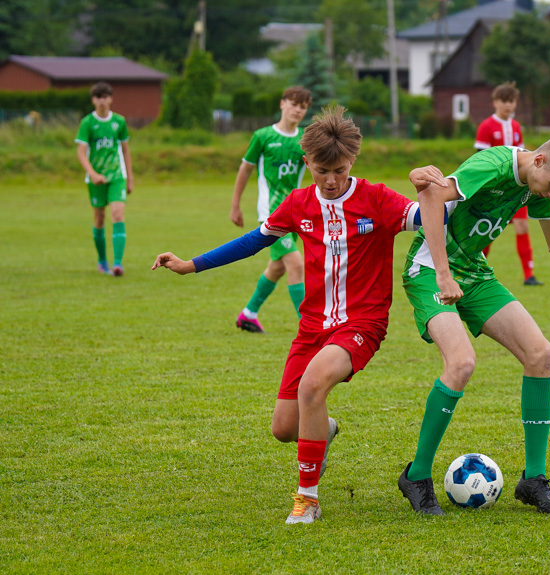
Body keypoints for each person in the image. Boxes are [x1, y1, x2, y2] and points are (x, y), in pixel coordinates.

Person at [152, 104, 448, 525]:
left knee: (312, 386)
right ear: (305, 162)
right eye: (321, 170)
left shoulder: (376, 198)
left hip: (362, 323)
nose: (330, 180)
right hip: (312, 327)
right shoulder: (298, 203)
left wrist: (440, 188)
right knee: (284, 429)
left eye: (340, 171)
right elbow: (251, 242)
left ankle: (307, 499)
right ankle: (323, 430)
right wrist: (190, 264)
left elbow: (430, 216)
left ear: (352, 162)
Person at [397, 135, 550, 516]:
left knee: (540, 354)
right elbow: (431, 196)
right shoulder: (493, 164)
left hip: (474, 274)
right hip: (431, 271)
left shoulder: (539, 186)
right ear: (538, 161)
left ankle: (533, 480)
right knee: (462, 364)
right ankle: (416, 476)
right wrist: (445, 275)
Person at [231, 87, 312, 333]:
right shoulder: (263, 136)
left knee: (277, 267)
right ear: (282, 104)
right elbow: (245, 170)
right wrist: (235, 205)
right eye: (294, 104)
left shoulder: (305, 140)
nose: (298, 110)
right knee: (296, 265)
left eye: (304, 106)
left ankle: (248, 314)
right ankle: (309, 327)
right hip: (271, 214)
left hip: (296, 212)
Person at [474, 82, 541, 286]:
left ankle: (529, 275)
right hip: (496, 191)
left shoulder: (516, 127)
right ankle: (475, 270)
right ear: (495, 102)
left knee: (522, 227)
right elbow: (480, 158)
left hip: (515, 188)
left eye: (511, 101)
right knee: (489, 231)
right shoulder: (486, 126)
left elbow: (521, 155)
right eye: (504, 101)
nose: (508, 105)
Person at [75, 81, 134, 276]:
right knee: (99, 219)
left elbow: (125, 150)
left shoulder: (119, 121)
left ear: (111, 99)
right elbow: (81, 152)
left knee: (117, 215)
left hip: (117, 176)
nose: (102, 101)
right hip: (95, 178)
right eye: (98, 97)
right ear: (93, 100)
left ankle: (117, 264)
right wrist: (92, 173)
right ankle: (102, 261)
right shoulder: (87, 123)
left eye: (105, 97)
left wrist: (130, 178)